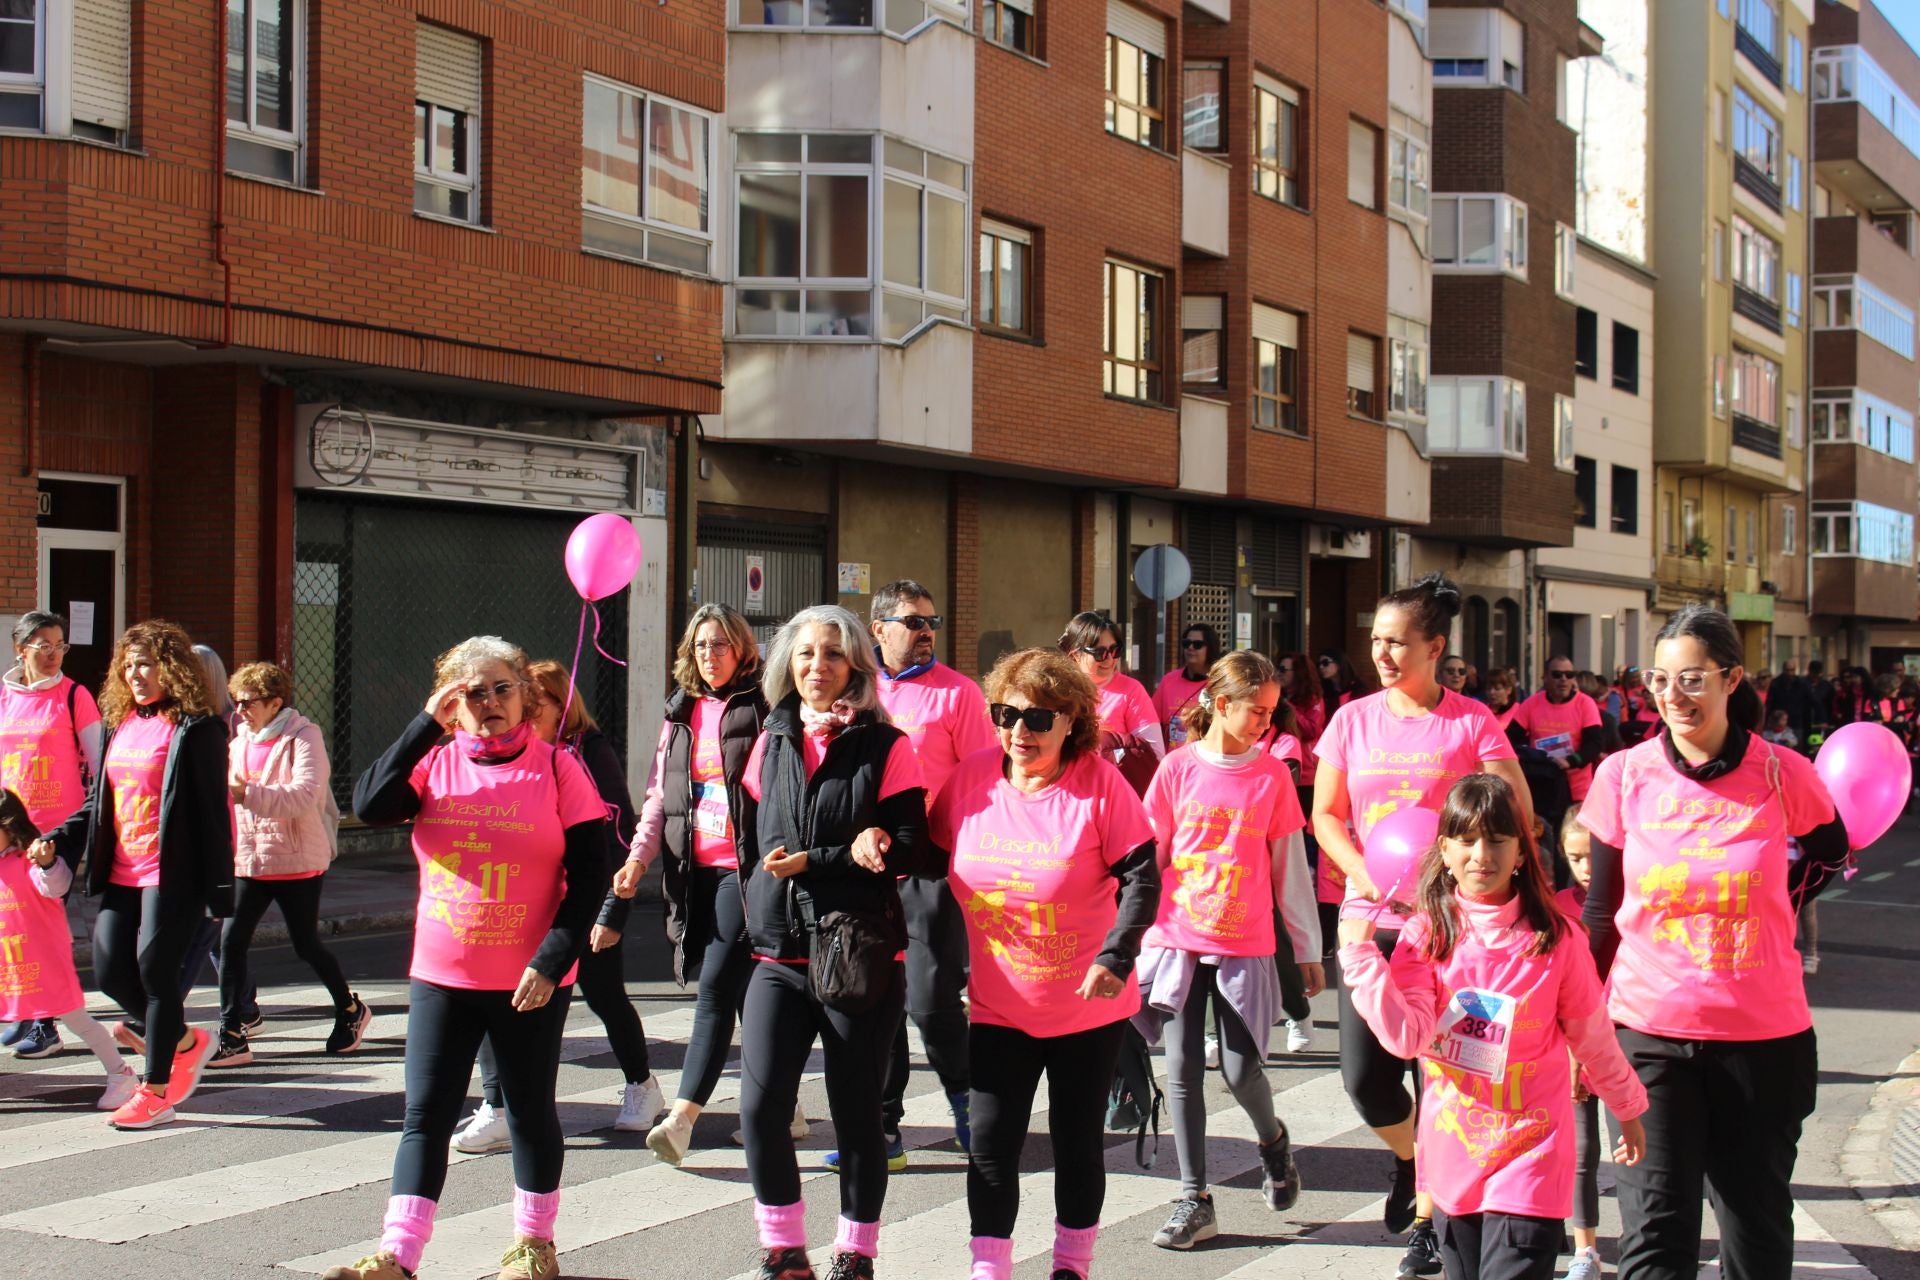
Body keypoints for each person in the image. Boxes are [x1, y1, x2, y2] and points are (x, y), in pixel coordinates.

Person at [1579, 604, 1851, 1280]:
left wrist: (1777, 903)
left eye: (1692, 679)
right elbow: (1601, 913)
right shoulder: (1624, 775)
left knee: (1754, 1231)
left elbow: (1831, 850)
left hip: (1763, 1040)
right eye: (1660, 679)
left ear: (1732, 680)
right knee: (1654, 1235)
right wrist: (1576, 1031)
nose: (1673, 696)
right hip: (1647, 1034)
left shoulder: (1782, 771)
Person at [328, 636, 610, 1280]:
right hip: (442, 974)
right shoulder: (433, 763)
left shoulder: (559, 768)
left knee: (530, 1111)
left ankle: (534, 1247)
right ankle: (398, 1256)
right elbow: (370, 804)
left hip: (529, 979)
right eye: (471, 693)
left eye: (501, 688)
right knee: (425, 1116)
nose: (489, 702)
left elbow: (591, 876)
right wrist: (424, 724)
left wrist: (553, 958)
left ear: (526, 695)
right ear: (452, 703)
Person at [1339, 775, 1647, 1280]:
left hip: (1533, 1149)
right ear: (1444, 849)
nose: (1482, 855)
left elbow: (1593, 1036)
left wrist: (1628, 1106)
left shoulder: (1557, 938)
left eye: (1498, 840)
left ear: (1522, 851)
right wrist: (1361, 959)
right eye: (1466, 840)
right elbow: (1407, 1038)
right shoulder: (1426, 934)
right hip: (1455, 1155)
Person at [1310, 574, 1529, 1278]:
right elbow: (1325, 816)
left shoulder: (1472, 722)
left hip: (1453, 924)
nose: (1381, 653)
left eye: (1397, 642)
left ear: (1435, 648)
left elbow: (1516, 811)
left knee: (1446, 1079)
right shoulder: (1352, 720)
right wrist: (1362, 870)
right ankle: (1413, 1160)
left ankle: (1431, 1221)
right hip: (1371, 916)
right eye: (1376, 640)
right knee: (1365, 1078)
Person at [923, 647, 1158, 1280]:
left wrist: (1117, 954)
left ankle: (1071, 1267)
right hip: (999, 1005)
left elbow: (1142, 877)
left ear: (1071, 721)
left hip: (1086, 1006)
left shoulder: (1097, 785)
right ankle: (989, 1270)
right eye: (1006, 715)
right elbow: (927, 857)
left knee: (1075, 1144)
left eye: (1038, 719)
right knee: (991, 1146)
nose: (1019, 731)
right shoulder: (972, 778)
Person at [734, 605, 928, 1280]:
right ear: (788, 664)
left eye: (833, 654)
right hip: (777, 954)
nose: (818, 666)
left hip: (856, 952)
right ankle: (785, 1250)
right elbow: (754, 842)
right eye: (806, 653)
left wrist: (835, 856)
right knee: (760, 1109)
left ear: (856, 668)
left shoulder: (886, 746)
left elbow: (912, 847)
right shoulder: (770, 740)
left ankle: (856, 1252)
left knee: (856, 1115)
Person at [1133, 651, 1322, 1250]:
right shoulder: (1177, 768)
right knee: (1182, 1069)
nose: (1267, 722)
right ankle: (1194, 1198)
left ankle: (1273, 1141)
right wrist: (1126, 931)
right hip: (1177, 937)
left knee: (1241, 1071)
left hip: (1245, 941)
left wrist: (1307, 946)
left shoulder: (1271, 776)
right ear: (1220, 704)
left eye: (1272, 711)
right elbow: (1151, 856)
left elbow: (1290, 869)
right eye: (1257, 711)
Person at [31, 619, 231, 1130]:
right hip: (123, 869)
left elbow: (214, 813)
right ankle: (184, 1040)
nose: (135, 674)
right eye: (129, 664)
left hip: (173, 873)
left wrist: (219, 891)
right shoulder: (121, 725)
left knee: (156, 973)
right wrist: (58, 836)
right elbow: (100, 801)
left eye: (147, 664)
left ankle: (155, 1090)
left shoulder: (198, 729)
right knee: (111, 972)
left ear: (172, 669)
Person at [453, 659, 661, 1150]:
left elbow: (615, 837)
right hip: (524, 905)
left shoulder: (587, 752)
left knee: (604, 994)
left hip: (583, 903)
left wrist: (612, 911)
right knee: (499, 997)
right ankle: (496, 1105)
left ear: (561, 705)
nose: (525, 708)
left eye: (537, 701)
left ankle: (641, 1084)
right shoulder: (512, 754)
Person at [612, 605, 772, 1166]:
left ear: (742, 651)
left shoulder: (762, 706)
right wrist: (638, 859)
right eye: (701, 646)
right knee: (746, 994)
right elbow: (660, 795)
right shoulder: (680, 713)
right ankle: (783, 1107)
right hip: (692, 870)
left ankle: (681, 1117)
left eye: (721, 645)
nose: (710, 655)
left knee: (715, 991)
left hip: (745, 872)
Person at [856, 580, 997, 1168]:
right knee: (874, 1000)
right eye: (913, 621)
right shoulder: (859, 687)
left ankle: (965, 1099)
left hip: (932, 867)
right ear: (879, 629)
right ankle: (882, 1128)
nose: (926, 631)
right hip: (866, 868)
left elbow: (984, 781)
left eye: (931, 622)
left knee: (930, 998)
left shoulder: (958, 694)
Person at [212, 661, 368, 1068]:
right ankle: (231, 1034)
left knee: (305, 944)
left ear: (275, 702)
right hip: (250, 860)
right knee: (230, 944)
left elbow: (303, 795)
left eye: (248, 702)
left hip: (297, 860)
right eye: (236, 702)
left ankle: (350, 1008)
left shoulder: (304, 736)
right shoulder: (239, 741)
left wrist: (246, 793)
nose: (240, 710)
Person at [0, 610, 103, 1057]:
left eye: (60, 645)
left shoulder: (74, 695)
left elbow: (100, 763)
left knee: (42, 921)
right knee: (13, 921)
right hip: (10, 831)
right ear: (20, 648)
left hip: (56, 829)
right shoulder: (3, 695)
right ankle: (25, 1012)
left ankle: (45, 1025)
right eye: (44, 645)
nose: (54, 654)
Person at [1, 790, 137, 1107]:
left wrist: (48, 863)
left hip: (43, 962)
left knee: (78, 1022)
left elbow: (57, 886)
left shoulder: (33, 860)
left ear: (9, 826)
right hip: (7, 963)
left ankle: (121, 1074)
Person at [1557, 805, 1608, 1280]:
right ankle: (1585, 1250)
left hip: (1625, 1039)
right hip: (1572, 1044)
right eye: (1575, 858)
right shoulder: (1556, 906)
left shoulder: (1633, 897)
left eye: (1594, 855)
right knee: (1581, 1150)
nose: (1586, 868)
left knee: (1643, 1150)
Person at [1061, 612, 1163, 779]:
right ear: (1075, 655)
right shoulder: (1059, 690)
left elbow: (1154, 755)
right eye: (1099, 652)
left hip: (1110, 785)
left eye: (1115, 650)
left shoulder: (1131, 691)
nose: (1109, 659)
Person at [1510, 656, 1605, 803]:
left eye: (1569, 675)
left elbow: (1594, 744)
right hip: (1540, 786)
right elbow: (1509, 738)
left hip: (1576, 791)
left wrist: (1570, 761)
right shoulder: (1532, 703)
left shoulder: (1585, 704)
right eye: (1557, 674)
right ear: (1545, 677)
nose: (1563, 679)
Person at [1153, 623, 1221, 750]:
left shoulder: (1219, 684)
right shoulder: (1169, 680)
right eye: (1186, 643)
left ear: (1210, 648)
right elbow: (1153, 723)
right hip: (1171, 757)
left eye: (1197, 645)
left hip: (1204, 757)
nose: (1190, 648)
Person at [1483, 667, 1520, 734]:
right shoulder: (1483, 712)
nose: (1492, 692)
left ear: (1509, 690)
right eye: (1488, 688)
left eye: (1497, 689)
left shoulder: (1519, 711)